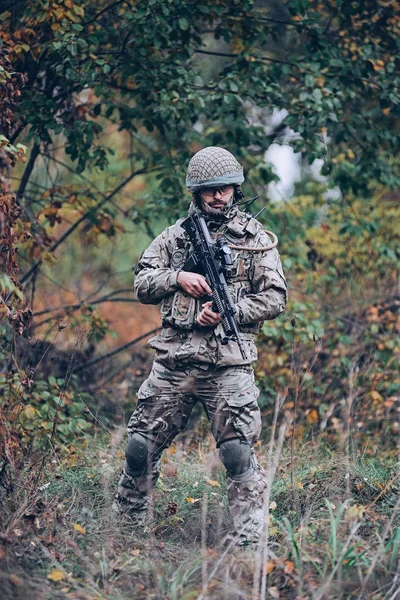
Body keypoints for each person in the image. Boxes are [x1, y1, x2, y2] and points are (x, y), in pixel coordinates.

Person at [113, 146, 287, 545]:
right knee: (140, 447)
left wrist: (230, 313)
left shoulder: (255, 241)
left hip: (227, 365)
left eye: (225, 188)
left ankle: (248, 543)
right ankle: (125, 533)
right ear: (196, 192)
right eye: (210, 190)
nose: (218, 196)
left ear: (236, 189)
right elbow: (142, 283)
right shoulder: (174, 237)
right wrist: (177, 278)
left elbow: (276, 298)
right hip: (174, 359)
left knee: (238, 453)